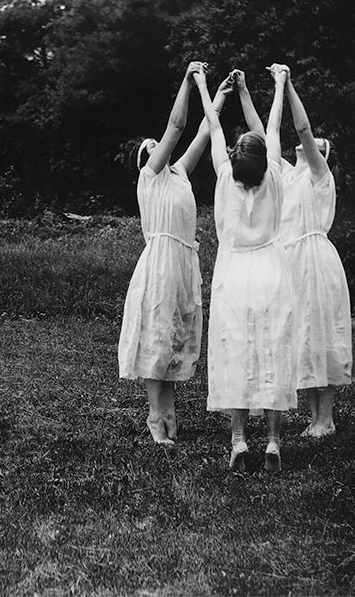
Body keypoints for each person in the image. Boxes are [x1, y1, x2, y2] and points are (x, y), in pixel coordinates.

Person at [118, 61, 228, 445]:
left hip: (183, 260)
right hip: (162, 260)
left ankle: (169, 408)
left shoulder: (179, 173)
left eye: (156, 143)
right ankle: (154, 413)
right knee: (158, 335)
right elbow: (178, 126)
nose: (155, 144)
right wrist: (185, 80)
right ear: (144, 159)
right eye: (149, 146)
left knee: (175, 336)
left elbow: (201, 130)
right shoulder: (150, 175)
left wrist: (220, 96)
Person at [194, 64, 297, 472]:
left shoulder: (223, 175)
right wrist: (275, 83)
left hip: (234, 273)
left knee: (235, 351)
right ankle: (272, 440)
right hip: (271, 271)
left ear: (236, 159)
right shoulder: (273, 175)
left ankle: (239, 439)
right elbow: (273, 124)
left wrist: (204, 83)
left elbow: (212, 124)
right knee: (272, 350)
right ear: (263, 158)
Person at [277, 68, 352, 437]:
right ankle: (314, 418)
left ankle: (327, 417)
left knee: (322, 332)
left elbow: (304, 131)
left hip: (316, 260)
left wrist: (288, 85)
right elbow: (266, 134)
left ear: (323, 154)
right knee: (302, 335)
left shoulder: (319, 176)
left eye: (319, 143)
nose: (310, 141)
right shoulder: (289, 176)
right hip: (292, 262)